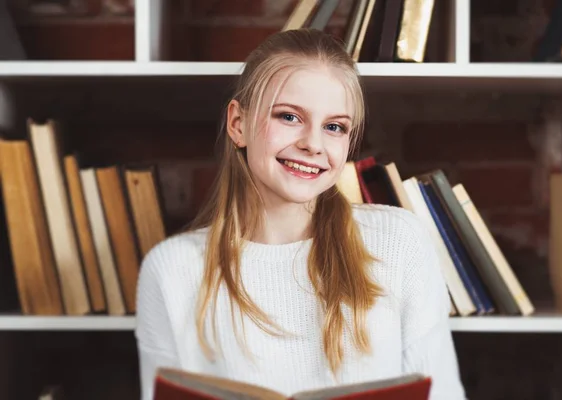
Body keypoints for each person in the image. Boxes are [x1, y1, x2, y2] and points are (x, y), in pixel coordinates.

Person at [135, 28, 466, 400]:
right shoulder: (171, 270)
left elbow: (443, 394)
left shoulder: (398, 242)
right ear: (238, 124)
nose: (312, 144)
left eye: (334, 127)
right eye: (289, 117)